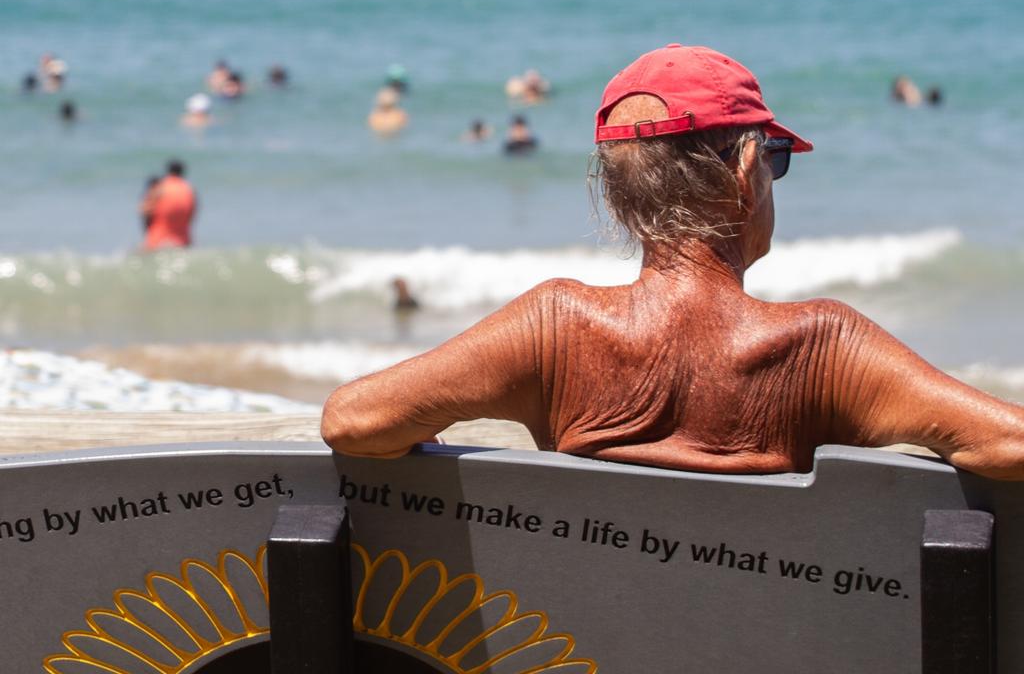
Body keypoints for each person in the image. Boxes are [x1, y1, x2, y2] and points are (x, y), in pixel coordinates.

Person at [322, 43, 1024, 481]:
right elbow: (1008, 445)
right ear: (748, 169)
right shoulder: (822, 348)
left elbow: (354, 420)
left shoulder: (554, 328)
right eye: (775, 158)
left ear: (621, 192)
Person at [142, 160, 197, 250]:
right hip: (183, 241)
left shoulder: (160, 187)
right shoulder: (189, 190)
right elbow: (191, 214)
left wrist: (147, 233)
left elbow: (145, 211)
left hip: (157, 240)